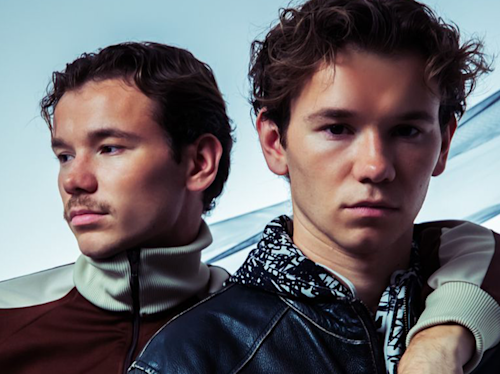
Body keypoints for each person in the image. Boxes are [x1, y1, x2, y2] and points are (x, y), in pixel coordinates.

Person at [130, 1, 500, 373]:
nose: (375, 166)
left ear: (445, 145)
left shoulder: (480, 306)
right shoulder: (189, 359)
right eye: (337, 129)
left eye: (406, 131)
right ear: (275, 143)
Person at [0, 42, 233, 374]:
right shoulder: (6, 318)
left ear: (199, 164)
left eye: (109, 148)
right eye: (65, 156)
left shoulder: (271, 335)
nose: (73, 181)